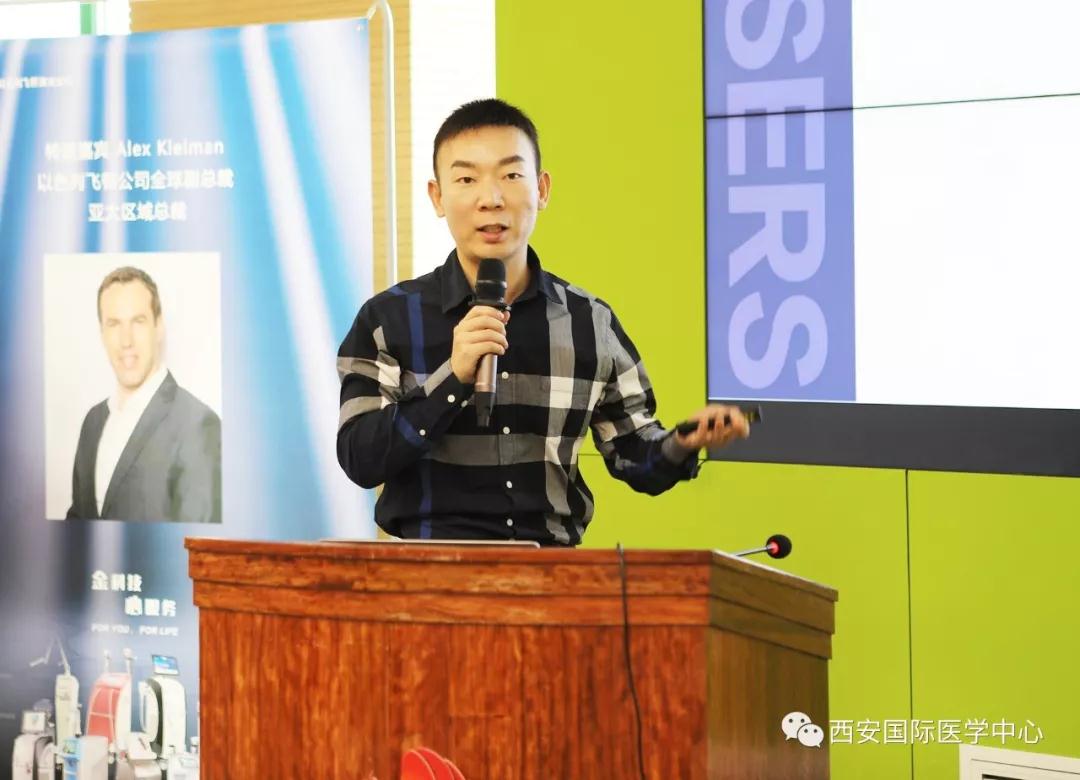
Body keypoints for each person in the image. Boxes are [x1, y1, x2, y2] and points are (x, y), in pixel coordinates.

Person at [336, 98, 749, 545]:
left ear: (542, 189)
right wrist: (452, 378)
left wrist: (682, 443)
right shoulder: (387, 318)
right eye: (467, 179)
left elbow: (634, 454)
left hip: (553, 573)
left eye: (511, 176)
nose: (491, 199)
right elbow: (361, 458)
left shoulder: (590, 322)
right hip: (429, 573)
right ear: (437, 197)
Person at [66, 266, 221, 523]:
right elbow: (77, 524)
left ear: (159, 327)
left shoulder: (198, 424)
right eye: (114, 324)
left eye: (138, 321)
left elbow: (199, 540)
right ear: (102, 333)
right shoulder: (92, 422)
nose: (126, 340)